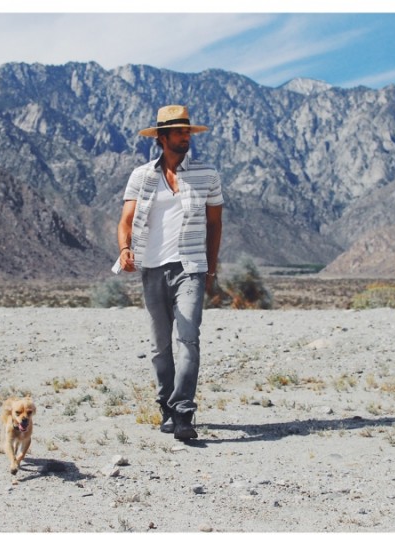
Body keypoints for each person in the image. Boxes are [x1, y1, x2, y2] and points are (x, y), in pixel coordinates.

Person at [116, 104, 223, 441]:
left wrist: (211, 266)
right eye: (178, 132)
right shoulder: (141, 176)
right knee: (161, 346)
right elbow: (126, 222)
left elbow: (215, 224)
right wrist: (124, 249)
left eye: (188, 131)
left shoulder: (207, 175)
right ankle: (165, 405)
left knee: (188, 338)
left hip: (191, 267)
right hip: (151, 267)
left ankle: (184, 412)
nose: (185, 137)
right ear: (161, 138)